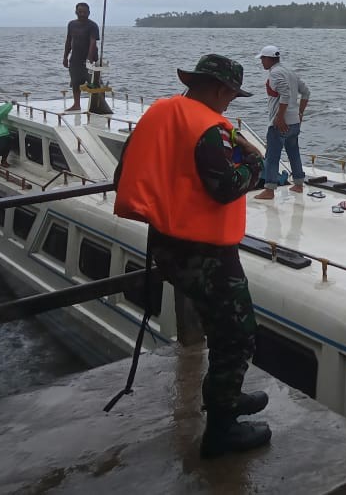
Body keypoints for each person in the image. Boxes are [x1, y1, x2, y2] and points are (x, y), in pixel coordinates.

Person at [114, 54, 270, 457]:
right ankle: (222, 429)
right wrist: (255, 162)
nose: (230, 104)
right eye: (232, 96)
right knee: (237, 335)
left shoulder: (160, 114)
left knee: (219, 327)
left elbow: (124, 173)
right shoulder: (207, 128)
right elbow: (225, 187)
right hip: (205, 254)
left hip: (166, 244)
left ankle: (225, 396)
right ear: (221, 89)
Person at [253, 45, 310, 201]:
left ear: (270, 59)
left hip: (280, 123)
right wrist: (300, 113)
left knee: (272, 155)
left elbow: (284, 93)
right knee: (294, 152)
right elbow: (306, 92)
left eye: (263, 58)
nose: (262, 62)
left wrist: (279, 117)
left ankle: (269, 190)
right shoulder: (290, 72)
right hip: (294, 123)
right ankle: (298, 184)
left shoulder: (275, 74)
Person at [62, 2, 99, 112]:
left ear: (89, 13)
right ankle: (76, 104)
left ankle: (97, 104)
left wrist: (89, 59)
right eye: (80, 12)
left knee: (94, 83)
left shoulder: (92, 25)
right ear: (76, 12)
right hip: (75, 59)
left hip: (90, 59)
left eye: (85, 12)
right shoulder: (71, 24)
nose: (82, 14)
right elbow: (69, 41)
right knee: (75, 82)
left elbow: (93, 42)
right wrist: (65, 57)